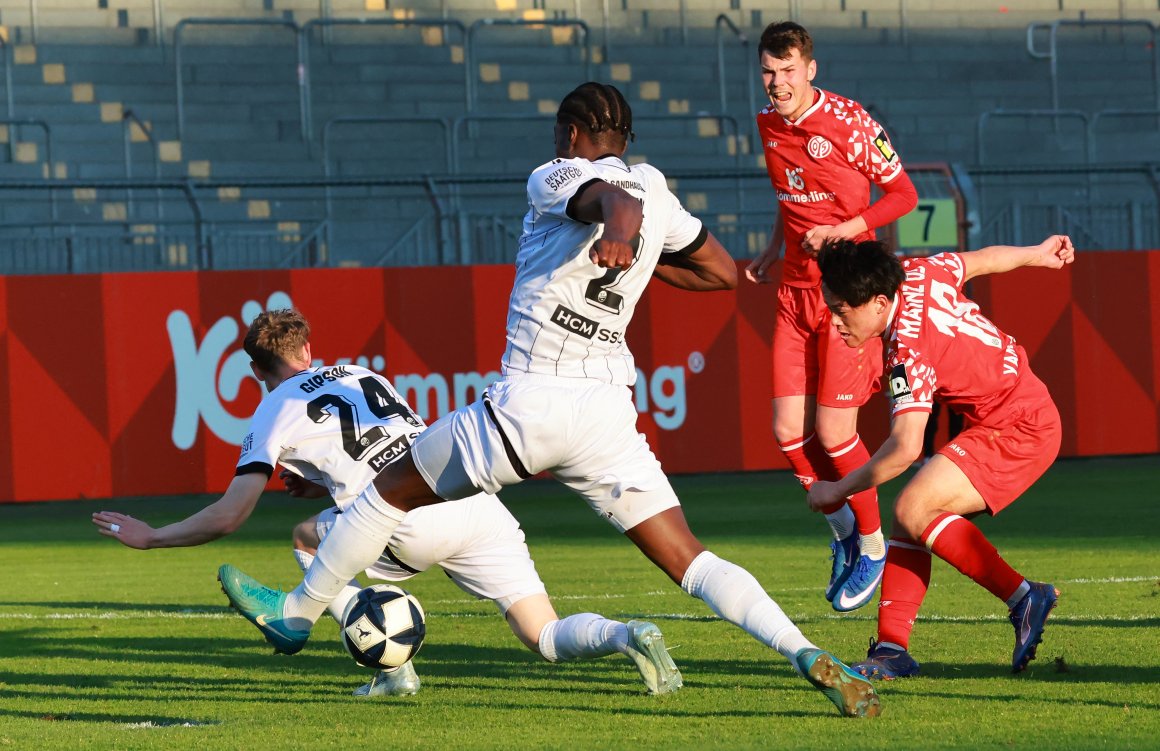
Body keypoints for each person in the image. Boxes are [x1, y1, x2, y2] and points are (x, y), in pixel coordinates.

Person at [218, 82, 881, 718]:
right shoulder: (656, 188)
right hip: (606, 416)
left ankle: (297, 614)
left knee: (389, 488)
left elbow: (607, 204)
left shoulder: (554, 173)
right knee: (690, 556)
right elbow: (716, 271)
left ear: (570, 134)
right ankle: (805, 650)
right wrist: (640, 252)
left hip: (531, 402)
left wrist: (620, 231)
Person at [93, 309, 684, 698]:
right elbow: (381, 448)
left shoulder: (271, 408)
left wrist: (151, 537)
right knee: (545, 636)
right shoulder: (359, 373)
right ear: (309, 350)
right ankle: (627, 634)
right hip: (471, 501)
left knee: (305, 537)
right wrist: (319, 480)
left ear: (256, 371)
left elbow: (230, 514)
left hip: (404, 521)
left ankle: (389, 665)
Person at [807, 234, 1075, 677]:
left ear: (877, 303)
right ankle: (892, 649)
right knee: (909, 518)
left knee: (913, 507)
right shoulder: (920, 271)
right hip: (1016, 413)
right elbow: (984, 258)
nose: (835, 322)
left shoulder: (906, 354)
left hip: (1021, 427)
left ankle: (1025, 596)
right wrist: (1036, 255)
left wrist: (837, 489)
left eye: (840, 310)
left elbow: (905, 448)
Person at [745, 21, 919, 613]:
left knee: (833, 434)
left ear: (810, 70)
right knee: (786, 432)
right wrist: (774, 247)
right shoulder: (768, 123)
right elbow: (788, 195)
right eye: (769, 71)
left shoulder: (849, 122)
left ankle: (873, 544)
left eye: (788, 71)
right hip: (793, 293)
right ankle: (846, 529)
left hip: (842, 295)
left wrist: (845, 229)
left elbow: (903, 195)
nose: (777, 83)